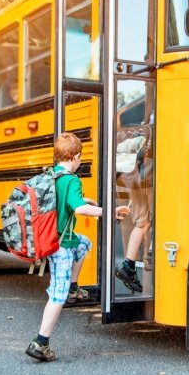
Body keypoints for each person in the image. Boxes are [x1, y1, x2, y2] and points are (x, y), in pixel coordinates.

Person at [26, 131, 130, 362]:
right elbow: (79, 209)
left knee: (84, 243)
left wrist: (85, 200)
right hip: (60, 247)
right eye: (81, 157)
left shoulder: (53, 175)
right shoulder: (72, 179)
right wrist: (108, 212)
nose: (80, 161)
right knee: (57, 295)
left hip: (55, 239)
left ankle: (74, 286)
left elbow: (71, 202)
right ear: (75, 157)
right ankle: (40, 342)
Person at [114, 120, 153, 293]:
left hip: (135, 179)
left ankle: (128, 264)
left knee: (142, 223)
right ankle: (149, 258)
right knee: (154, 220)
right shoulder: (157, 125)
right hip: (151, 179)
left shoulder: (142, 126)